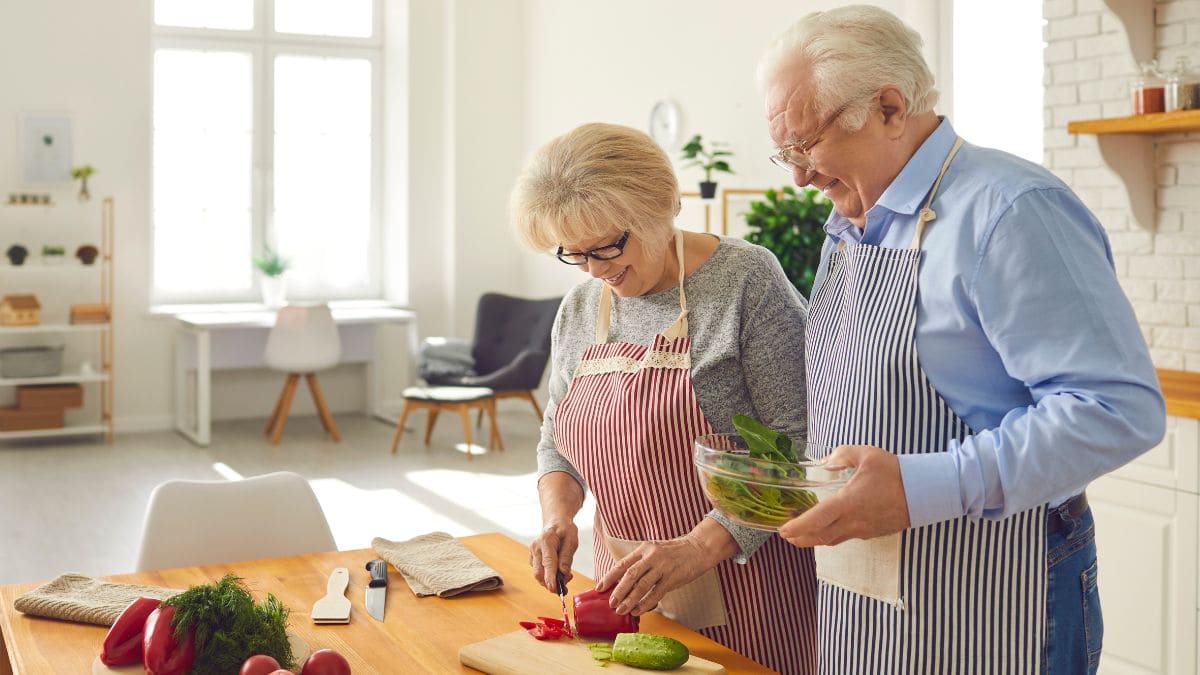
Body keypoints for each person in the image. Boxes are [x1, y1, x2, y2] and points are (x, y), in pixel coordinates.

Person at [756, 6, 1166, 675]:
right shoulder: (851, 223)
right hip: (865, 596)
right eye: (787, 152)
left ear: (889, 107)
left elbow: (1117, 410)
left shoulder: (1009, 210)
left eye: (807, 146)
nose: (798, 175)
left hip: (1003, 587)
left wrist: (918, 488)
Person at [512, 122, 817, 673]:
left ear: (660, 207)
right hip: (626, 590)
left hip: (749, 588)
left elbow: (797, 448)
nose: (598, 271)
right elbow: (557, 442)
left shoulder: (745, 281)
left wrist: (698, 549)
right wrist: (558, 518)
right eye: (576, 255)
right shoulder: (581, 308)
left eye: (609, 246)